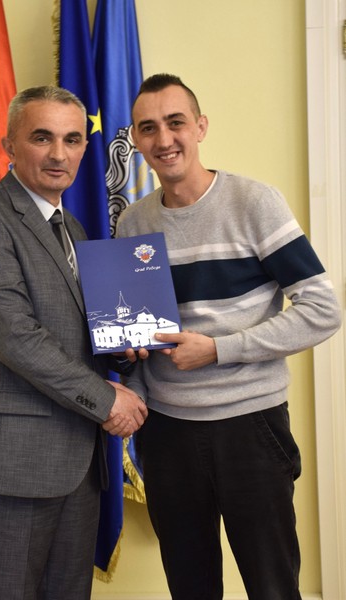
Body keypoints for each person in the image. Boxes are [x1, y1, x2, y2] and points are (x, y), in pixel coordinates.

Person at [116, 73, 342, 600]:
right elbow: (141, 335)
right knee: (190, 587)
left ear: (200, 127)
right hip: (167, 434)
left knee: (272, 585)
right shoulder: (132, 223)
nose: (164, 139)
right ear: (137, 140)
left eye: (175, 122)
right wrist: (134, 377)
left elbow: (323, 310)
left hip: (251, 428)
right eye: (148, 128)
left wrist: (219, 350)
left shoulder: (254, 202)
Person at [0, 85, 148, 600]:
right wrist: (107, 399)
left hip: (80, 464)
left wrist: (123, 348)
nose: (59, 153)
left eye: (72, 139)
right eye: (42, 137)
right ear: (9, 143)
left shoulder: (73, 228)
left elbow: (75, 332)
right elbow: (17, 339)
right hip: (13, 463)